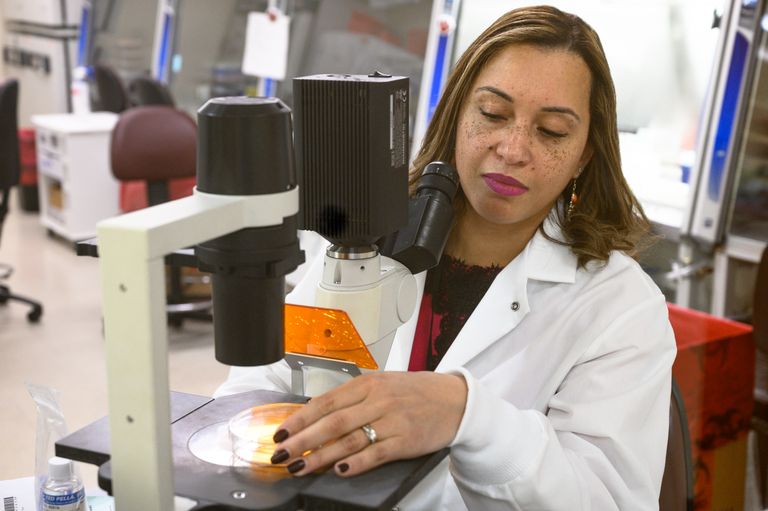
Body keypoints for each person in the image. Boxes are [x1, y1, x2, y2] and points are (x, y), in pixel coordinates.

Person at [215, 5, 676, 509]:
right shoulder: (364, 241)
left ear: (584, 154)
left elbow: (609, 499)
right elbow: (269, 378)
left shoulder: (621, 308)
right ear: (457, 114)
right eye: (493, 114)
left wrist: (467, 416)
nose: (513, 148)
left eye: (552, 131)